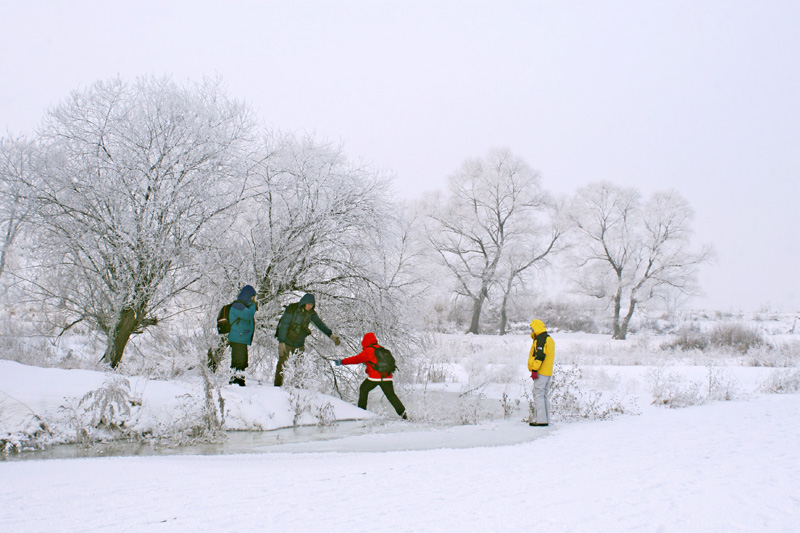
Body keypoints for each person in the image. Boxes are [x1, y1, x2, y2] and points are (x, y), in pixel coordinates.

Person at [334, 332, 407, 419]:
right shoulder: (382, 349)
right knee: (391, 395)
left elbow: (356, 359)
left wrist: (341, 362)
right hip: (387, 376)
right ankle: (403, 413)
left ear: (365, 341)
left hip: (375, 377)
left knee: (363, 389)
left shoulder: (368, 350)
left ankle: (361, 412)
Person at [274, 293, 340, 386]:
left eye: (311, 305)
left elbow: (320, 325)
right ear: (304, 302)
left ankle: (297, 388)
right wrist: (281, 342)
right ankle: (277, 386)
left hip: (299, 343)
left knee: (299, 366)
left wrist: (331, 336)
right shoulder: (292, 309)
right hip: (287, 342)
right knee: (281, 364)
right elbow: (283, 325)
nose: (309, 306)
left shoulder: (311, 314)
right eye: (308, 304)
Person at [528, 319, 555, 426]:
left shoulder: (541, 339)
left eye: (532, 328)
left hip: (541, 371)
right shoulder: (549, 339)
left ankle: (541, 421)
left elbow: (540, 356)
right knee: (544, 395)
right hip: (548, 372)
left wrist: (534, 370)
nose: (531, 330)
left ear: (536, 328)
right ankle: (545, 419)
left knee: (538, 394)